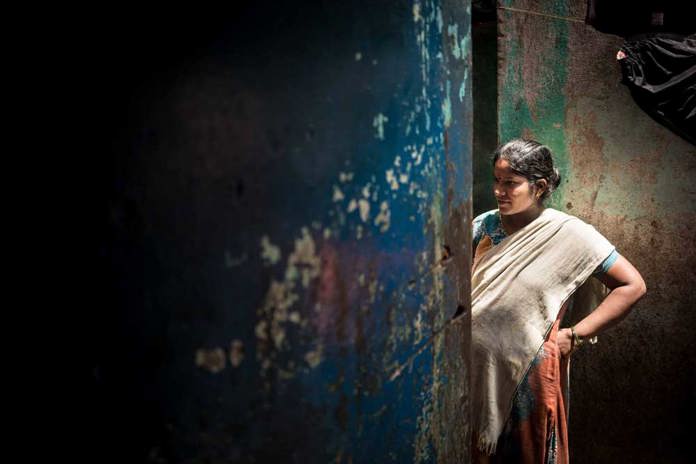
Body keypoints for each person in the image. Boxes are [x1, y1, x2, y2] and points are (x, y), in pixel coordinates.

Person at [470, 139, 646, 463]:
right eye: (497, 180)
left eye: (510, 183)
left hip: (526, 373)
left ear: (538, 187)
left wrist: (573, 336)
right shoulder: (483, 226)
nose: (499, 191)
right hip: (471, 369)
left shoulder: (569, 234)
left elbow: (632, 285)